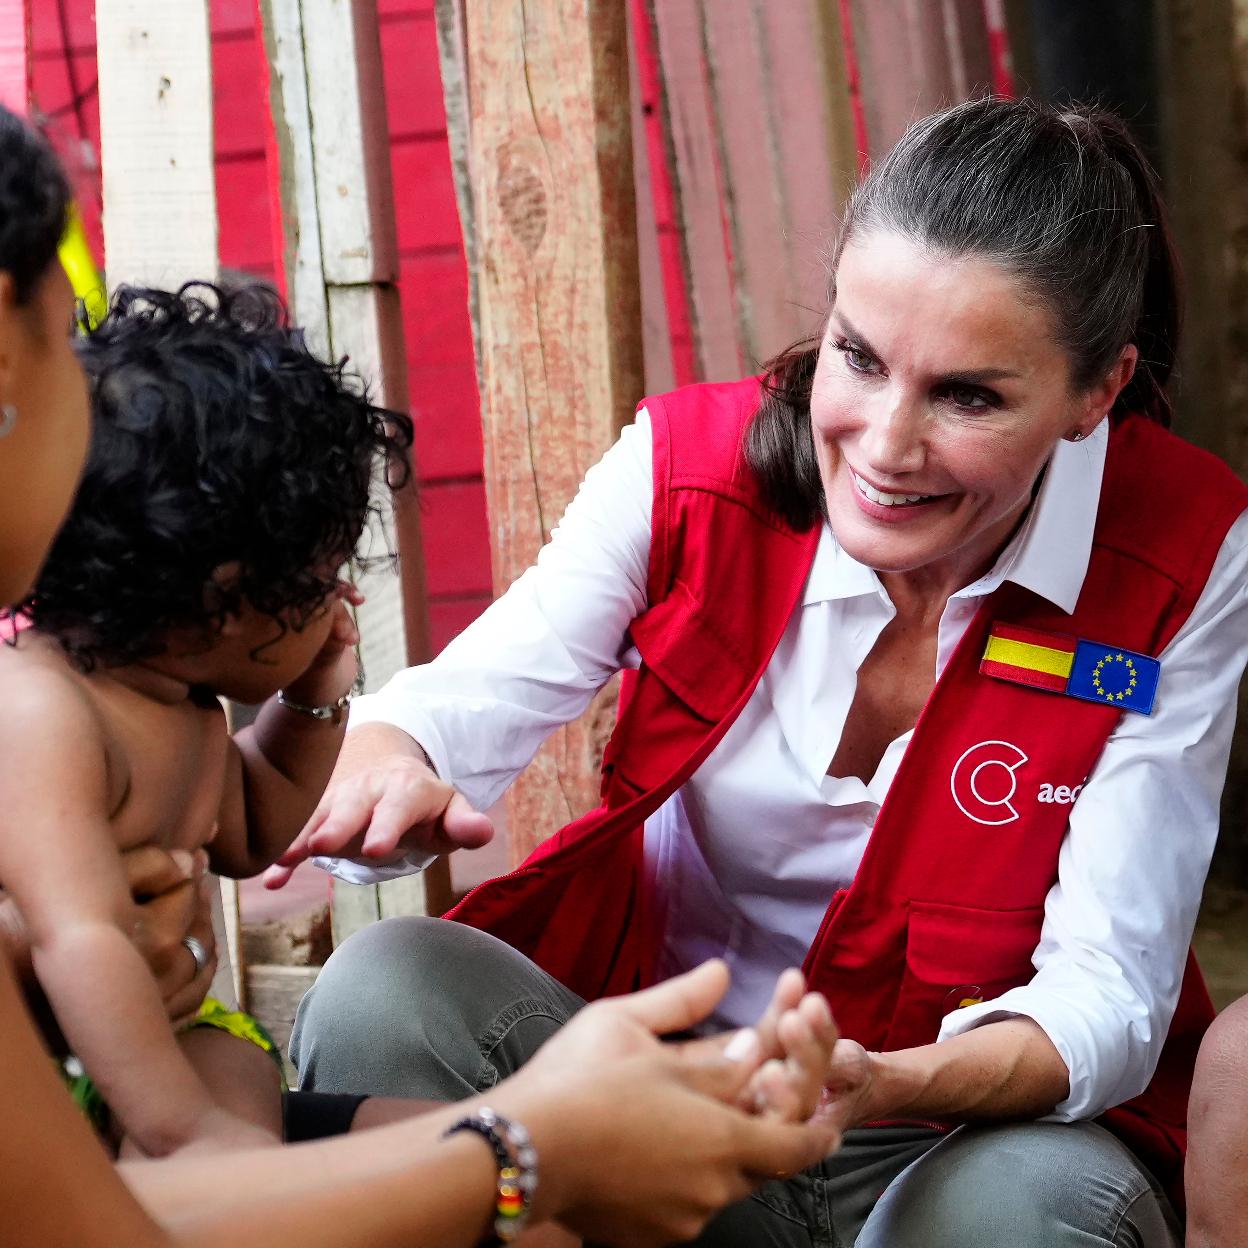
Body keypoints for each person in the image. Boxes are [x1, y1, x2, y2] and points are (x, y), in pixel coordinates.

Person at [273, 96, 1248, 1247]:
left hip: (953, 1132)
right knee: (386, 988)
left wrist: (884, 1080)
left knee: (1027, 1211)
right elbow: (458, 703)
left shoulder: (1186, 547)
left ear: (1097, 393)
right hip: (664, 1100)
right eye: (859, 358)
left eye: (968, 395)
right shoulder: (685, 469)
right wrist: (389, 762)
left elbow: (1110, 995)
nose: (884, 446)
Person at [0, 103, 844, 1246]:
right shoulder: (43, 710)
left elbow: (249, 825)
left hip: (183, 1047)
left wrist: (317, 697)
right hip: (113, 1104)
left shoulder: (180, 704)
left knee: (468, 1187)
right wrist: (530, 1150)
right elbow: (84, 965)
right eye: (63, 344)